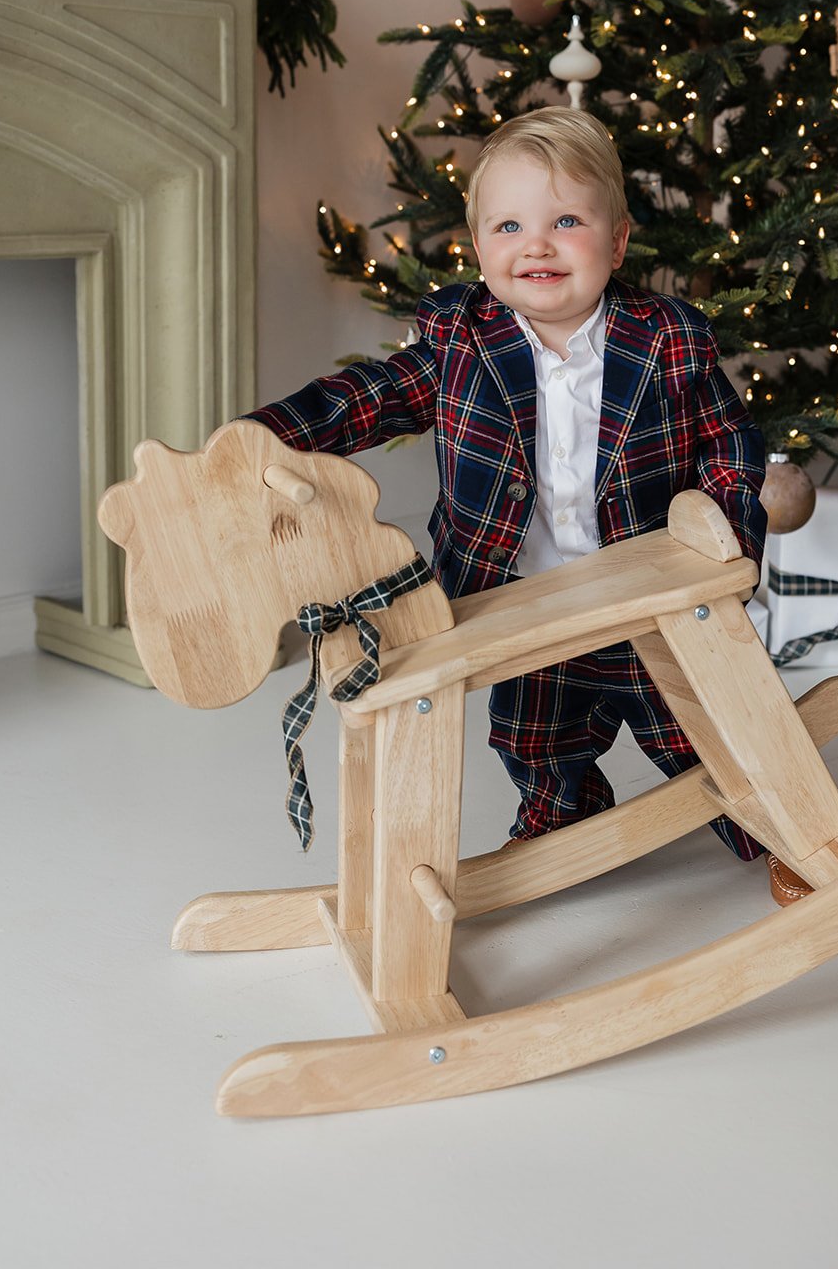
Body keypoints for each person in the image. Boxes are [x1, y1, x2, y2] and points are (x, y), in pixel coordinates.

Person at [249, 106, 809, 903]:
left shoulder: (668, 339)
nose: (535, 244)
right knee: (535, 735)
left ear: (615, 243)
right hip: (521, 598)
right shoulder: (459, 340)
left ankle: (783, 832)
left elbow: (730, 441)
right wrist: (263, 438)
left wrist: (727, 534)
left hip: (649, 593)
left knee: (705, 729)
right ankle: (564, 824)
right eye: (508, 225)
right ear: (479, 247)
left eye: (567, 221)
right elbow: (366, 398)